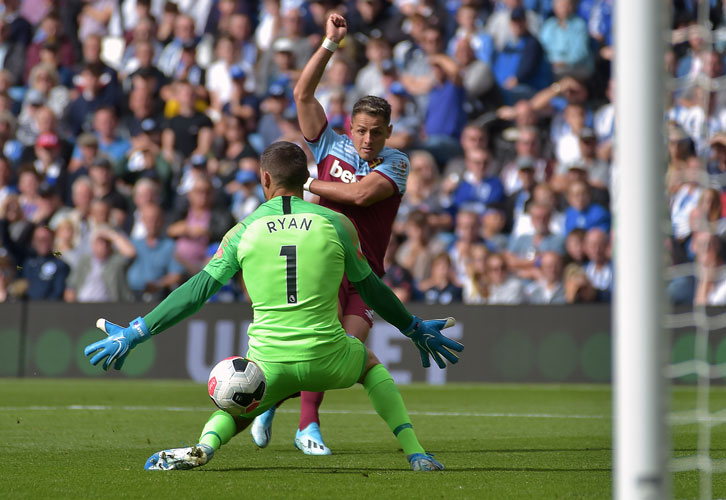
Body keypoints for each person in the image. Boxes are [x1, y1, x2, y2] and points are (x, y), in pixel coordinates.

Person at [83, 141, 463, 472]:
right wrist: (412, 327)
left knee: (240, 399)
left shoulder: (241, 231)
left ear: (265, 179)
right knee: (369, 364)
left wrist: (138, 331)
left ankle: (205, 446)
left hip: (270, 365)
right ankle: (416, 454)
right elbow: (372, 289)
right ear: (306, 179)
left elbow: (196, 291)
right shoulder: (337, 223)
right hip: (329, 359)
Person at [253, 13, 413, 455]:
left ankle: (268, 405)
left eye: (376, 133)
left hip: (365, 272)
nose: (366, 140)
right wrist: (329, 44)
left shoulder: (396, 163)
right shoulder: (329, 143)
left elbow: (361, 196)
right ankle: (308, 427)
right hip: (321, 263)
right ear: (350, 127)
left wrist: (304, 183)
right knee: (323, 351)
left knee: (340, 350)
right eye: (360, 130)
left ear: (389, 134)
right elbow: (302, 93)